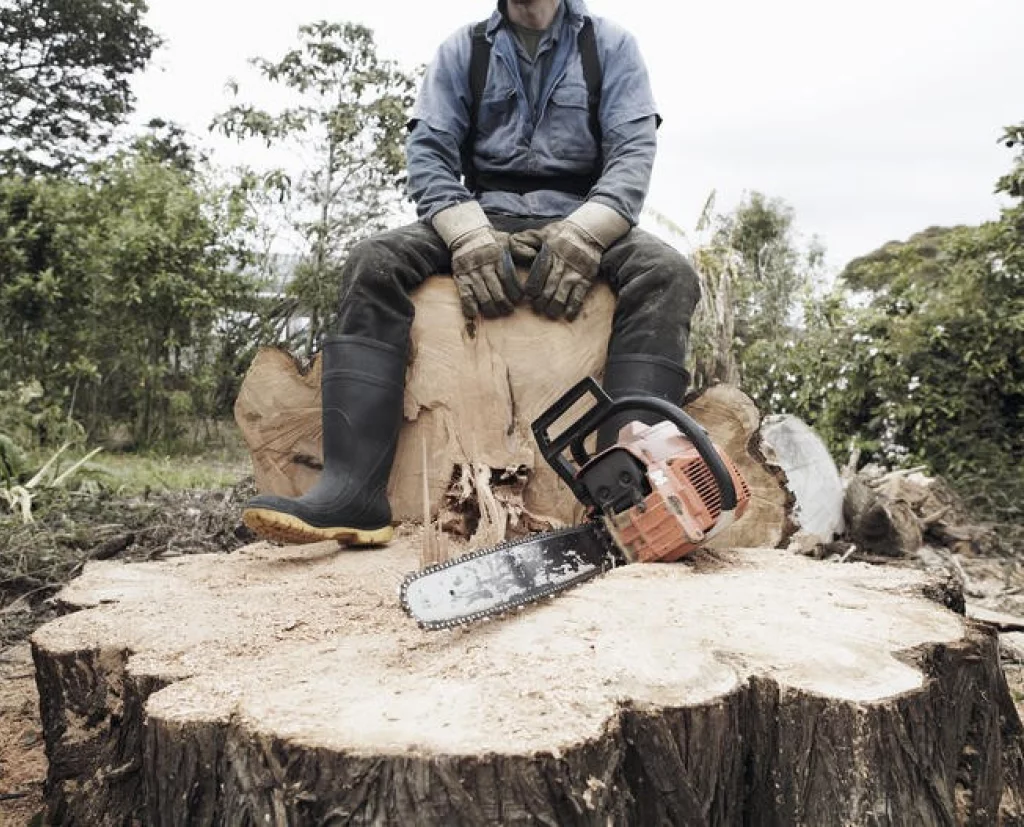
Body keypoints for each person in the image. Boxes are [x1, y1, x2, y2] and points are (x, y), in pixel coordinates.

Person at [242, 0, 701, 546]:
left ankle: (631, 498)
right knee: (374, 262)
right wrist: (466, 233)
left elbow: (632, 157)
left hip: (582, 216)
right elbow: (429, 155)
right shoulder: (464, 49)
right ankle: (353, 494)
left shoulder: (611, 47)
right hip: (483, 216)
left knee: (667, 274)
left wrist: (586, 233)